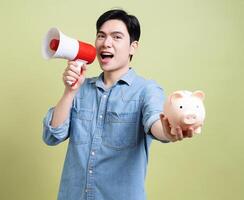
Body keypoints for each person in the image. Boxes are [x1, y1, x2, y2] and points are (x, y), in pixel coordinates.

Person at [43, 9, 195, 200]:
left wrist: (170, 131)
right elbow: (52, 136)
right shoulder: (81, 88)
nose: (106, 43)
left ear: (133, 47)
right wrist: (69, 91)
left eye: (116, 37)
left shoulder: (146, 90)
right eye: (101, 36)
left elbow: (156, 124)